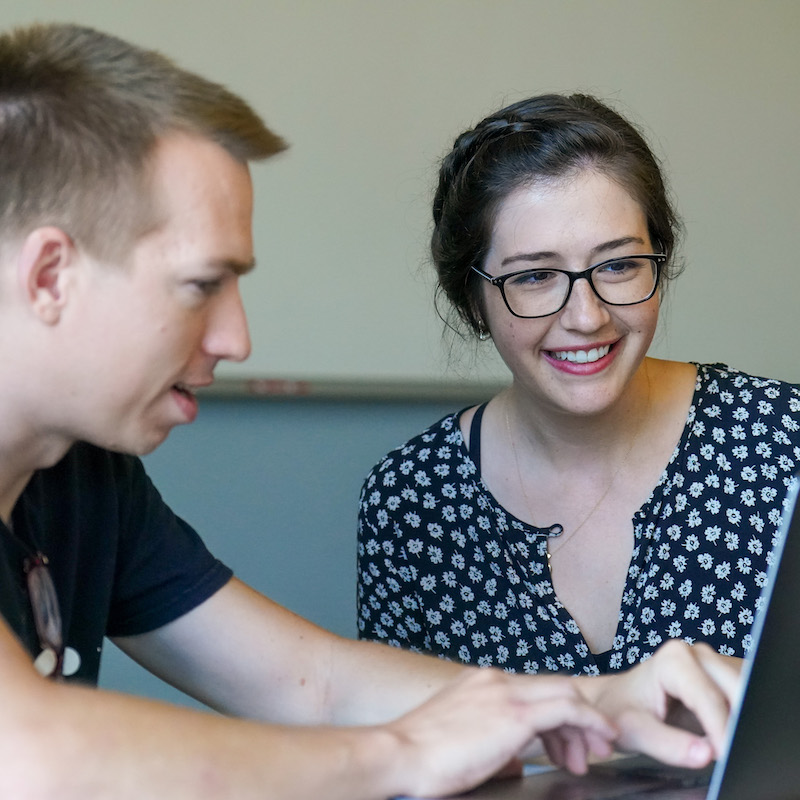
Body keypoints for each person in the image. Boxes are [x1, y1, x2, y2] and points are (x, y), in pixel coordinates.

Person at [0, 25, 740, 798]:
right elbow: (30, 756)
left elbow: (313, 684)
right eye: (200, 285)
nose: (238, 338)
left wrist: (601, 702)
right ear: (51, 275)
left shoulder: (83, 479)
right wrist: (399, 755)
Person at [357, 92, 800, 678]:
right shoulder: (411, 502)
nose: (587, 316)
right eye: (536, 276)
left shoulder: (780, 440)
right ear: (473, 299)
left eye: (617, 265)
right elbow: (402, 748)